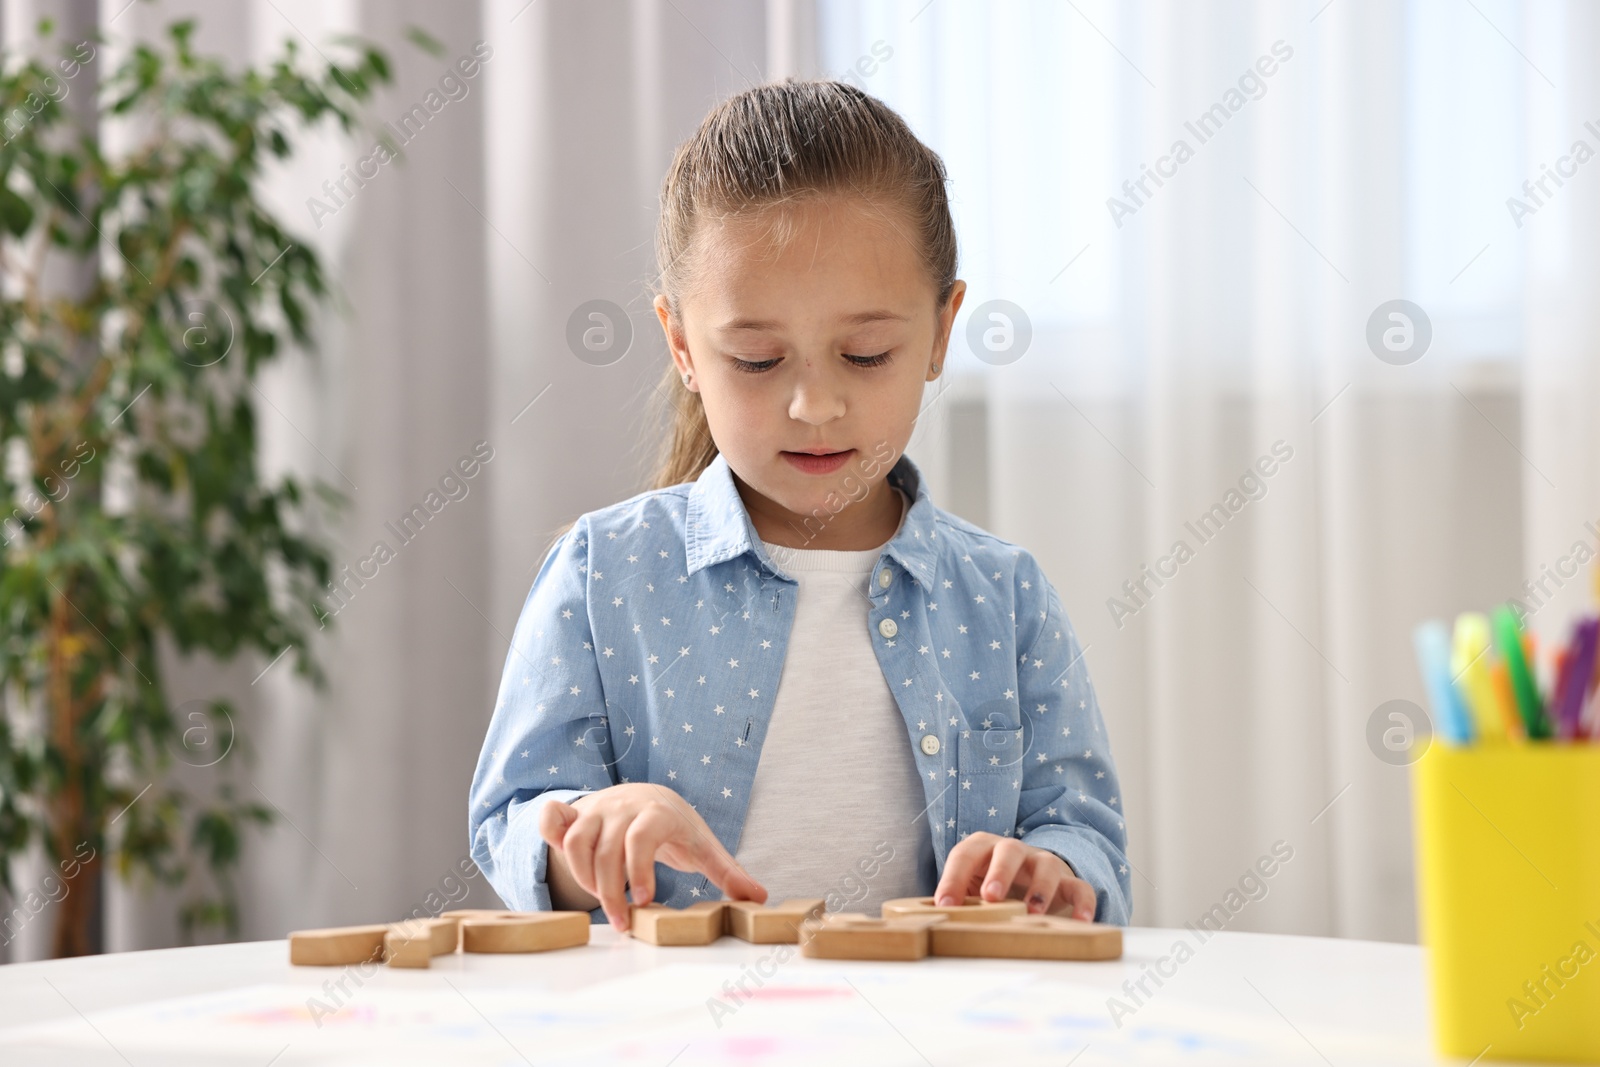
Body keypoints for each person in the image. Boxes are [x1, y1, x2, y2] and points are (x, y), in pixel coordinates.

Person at [468, 78, 1129, 933]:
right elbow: (515, 821)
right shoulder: (605, 575)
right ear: (681, 344)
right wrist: (592, 835)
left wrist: (1050, 870)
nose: (814, 406)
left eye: (864, 354)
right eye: (755, 360)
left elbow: (1089, 841)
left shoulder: (1004, 597)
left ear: (938, 332)